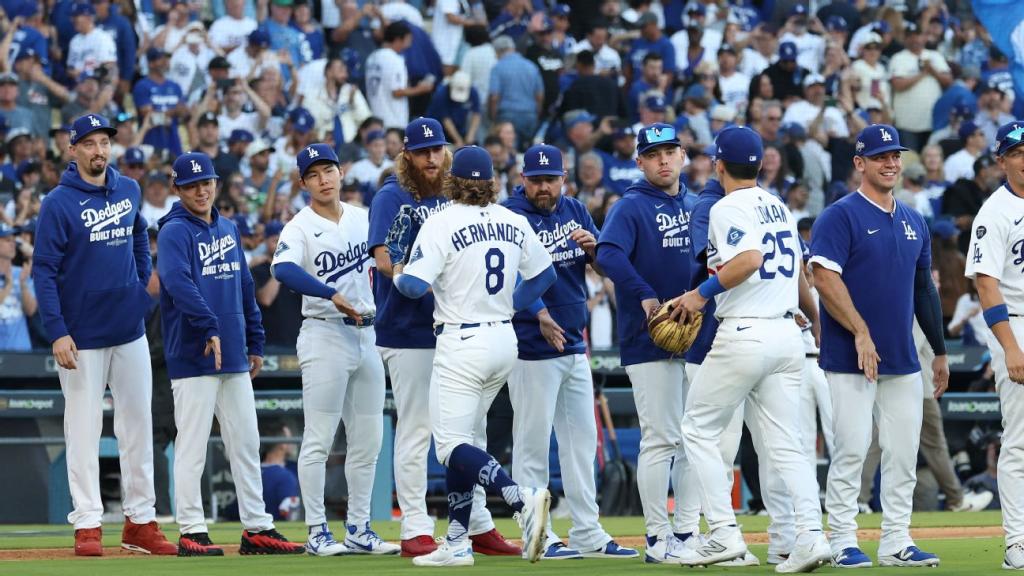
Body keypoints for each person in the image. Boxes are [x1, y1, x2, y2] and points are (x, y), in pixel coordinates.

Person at [672, 126, 829, 571]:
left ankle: (723, 532)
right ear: (759, 165)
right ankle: (811, 536)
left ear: (719, 165)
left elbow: (749, 260)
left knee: (697, 429)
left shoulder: (725, 206)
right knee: (788, 445)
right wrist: (816, 319)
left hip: (745, 331)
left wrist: (698, 295)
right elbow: (798, 274)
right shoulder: (779, 206)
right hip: (786, 335)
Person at [392, 144, 556, 567]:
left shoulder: (442, 221)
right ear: (492, 183)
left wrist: (396, 268)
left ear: (453, 181)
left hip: (462, 341)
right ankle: (457, 541)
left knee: (449, 446)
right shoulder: (512, 219)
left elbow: (413, 287)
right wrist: (509, 306)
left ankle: (519, 498)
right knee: (463, 440)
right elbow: (545, 275)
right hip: (503, 339)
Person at [368, 117, 520, 557]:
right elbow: (383, 259)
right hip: (409, 329)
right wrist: (429, 280)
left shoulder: (455, 197)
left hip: (458, 330)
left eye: (436, 149)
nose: (431, 158)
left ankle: (477, 524)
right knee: (419, 428)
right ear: (407, 156)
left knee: (472, 432)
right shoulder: (392, 195)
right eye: (422, 152)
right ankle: (415, 525)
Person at [32, 113, 175, 556]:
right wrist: (57, 331)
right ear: (73, 149)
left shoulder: (128, 189)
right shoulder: (57, 203)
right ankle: (88, 523)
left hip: (129, 329)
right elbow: (43, 271)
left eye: (104, 142)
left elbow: (139, 238)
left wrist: (139, 287)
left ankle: (141, 522)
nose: (99, 150)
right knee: (83, 429)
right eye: (90, 143)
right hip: (81, 336)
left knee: (138, 427)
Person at [810, 124, 948, 567]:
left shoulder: (913, 219)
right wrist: (860, 331)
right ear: (859, 163)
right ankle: (842, 539)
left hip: (903, 357)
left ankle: (896, 540)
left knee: (903, 452)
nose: (890, 163)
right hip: (850, 356)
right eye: (880, 156)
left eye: (895, 156)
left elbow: (924, 289)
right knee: (851, 449)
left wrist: (940, 350)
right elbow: (823, 276)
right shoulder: (840, 215)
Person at [157, 151, 305, 557]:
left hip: (234, 352)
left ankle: (257, 527)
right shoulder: (173, 231)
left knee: (246, 442)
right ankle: (191, 529)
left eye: (206, 182)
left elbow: (244, 286)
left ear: (215, 184)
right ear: (178, 189)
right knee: (192, 445)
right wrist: (208, 325)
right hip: (194, 353)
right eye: (191, 185)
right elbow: (176, 282)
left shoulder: (228, 226)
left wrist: (254, 339)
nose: (201, 190)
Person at [502, 144, 637, 560]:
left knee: (581, 442)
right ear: (522, 179)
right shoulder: (510, 216)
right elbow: (508, 278)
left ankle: (588, 530)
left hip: (574, 341)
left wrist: (594, 249)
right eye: (536, 180)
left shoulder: (575, 209)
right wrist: (540, 313)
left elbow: (603, 268)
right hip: (530, 345)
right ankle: (536, 533)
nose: (544, 187)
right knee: (532, 442)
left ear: (564, 179)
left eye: (551, 179)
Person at [271, 143, 399, 556]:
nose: (323, 179)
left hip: (367, 334)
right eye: (313, 174)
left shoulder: (364, 218)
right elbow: (283, 268)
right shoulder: (300, 226)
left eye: (328, 170)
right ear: (303, 183)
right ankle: (316, 531)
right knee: (319, 439)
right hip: (324, 333)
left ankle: (359, 528)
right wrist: (329, 293)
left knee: (369, 440)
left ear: (341, 173)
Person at [593, 123, 694, 563]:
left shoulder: (696, 202)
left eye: (669, 151)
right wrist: (644, 293)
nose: (663, 160)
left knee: (695, 440)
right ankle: (657, 537)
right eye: (653, 154)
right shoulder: (630, 205)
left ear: (683, 155)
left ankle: (687, 533)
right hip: (648, 337)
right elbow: (607, 254)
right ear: (639, 162)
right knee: (660, 439)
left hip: (697, 339)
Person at [965, 120, 1024, 570]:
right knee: (1019, 442)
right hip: (1016, 325)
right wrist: (1010, 347)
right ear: (1001, 161)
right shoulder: (994, 212)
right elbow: (986, 285)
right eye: (1017, 153)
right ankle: (1016, 542)